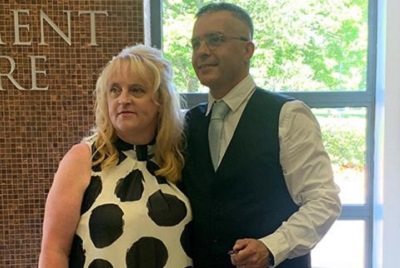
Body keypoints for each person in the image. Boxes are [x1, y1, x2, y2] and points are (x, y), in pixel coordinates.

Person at [181, 3, 341, 268]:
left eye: (215, 39)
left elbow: (323, 201)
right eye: (196, 43)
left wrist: (271, 246)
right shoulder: (188, 123)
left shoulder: (288, 116)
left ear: (248, 50)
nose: (202, 51)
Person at [38, 44, 193, 268]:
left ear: (161, 100)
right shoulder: (83, 158)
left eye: (137, 89)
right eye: (115, 90)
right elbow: (54, 250)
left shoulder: (177, 158)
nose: (123, 99)